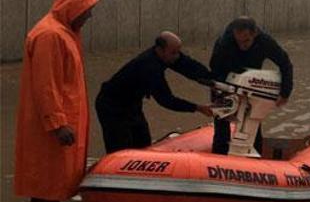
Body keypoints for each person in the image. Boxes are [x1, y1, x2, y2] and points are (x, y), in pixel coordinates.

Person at [14, 0, 99, 202]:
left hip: (56, 124)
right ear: (73, 7)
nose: (89, 16)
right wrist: (58, 123)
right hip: (49, 128)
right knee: (42, 183)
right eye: (87, 10)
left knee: (50, 183)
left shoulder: (63, 33)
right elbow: (46, 85)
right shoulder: (50, 35)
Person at [95, 32, 214, 153]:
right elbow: (166, 100)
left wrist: (212, 81)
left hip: (133, 105)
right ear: (160, 50)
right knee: (121, 149)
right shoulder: (149, 66)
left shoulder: (167, 55)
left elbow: (188, 66)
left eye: (178, 52)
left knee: (143, 142)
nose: (177, 56)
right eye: (173, 52)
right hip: (112, 107)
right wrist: (198, 108)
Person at [210, 17, 293, 155]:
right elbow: (214, 67)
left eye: (246, 41)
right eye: (239, 42)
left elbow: (285, 64)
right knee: (221, 124)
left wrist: (285, 92)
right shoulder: (224, 42)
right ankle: (218, 158)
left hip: (252, 86)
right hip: (226, 80)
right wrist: (222, 92)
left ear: (255, 33)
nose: (242, 45)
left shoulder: (265, 42)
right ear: (234, 34)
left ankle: (255, 160)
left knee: (253, 122)